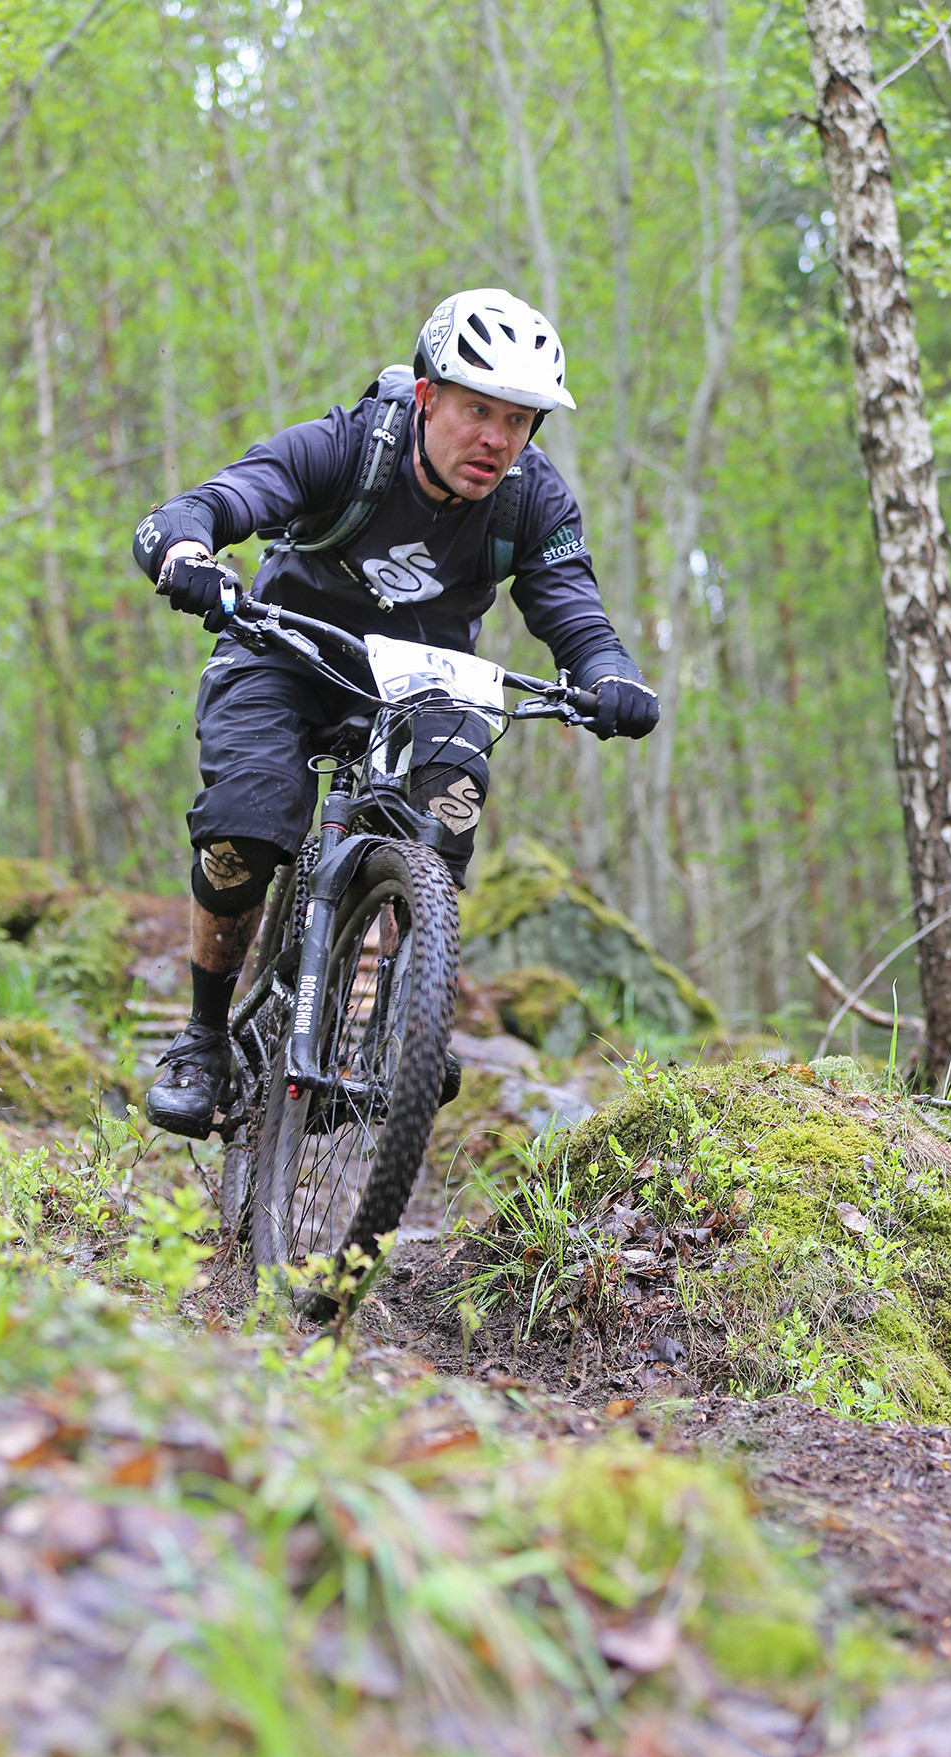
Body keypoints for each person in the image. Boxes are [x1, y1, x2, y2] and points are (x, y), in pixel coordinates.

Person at [132, 286, 658, 1138]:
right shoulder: (345, 447)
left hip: (426, 683)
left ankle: (406, 1022)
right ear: (425, 397)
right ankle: (202, 1040)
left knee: (445, 820)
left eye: (518, 420)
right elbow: (221, 501)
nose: (496, 440)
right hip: (284, 654)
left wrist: (610, 676)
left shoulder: (531, 498)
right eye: (476, 410)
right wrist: (187, 549)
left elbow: (572, 609)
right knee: (243, 830)